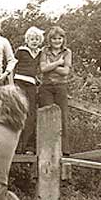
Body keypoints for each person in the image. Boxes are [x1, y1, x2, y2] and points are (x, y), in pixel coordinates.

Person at [39, 26, 72, 155]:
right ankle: (48, 149)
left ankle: (64, 149)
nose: (57, 41)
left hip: (60, 86)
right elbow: (42, 69)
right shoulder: (44, 51)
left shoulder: (67, 52)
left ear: (63, 39)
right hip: (46, 86)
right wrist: (59, 62)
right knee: (47, 116)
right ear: (50, 40)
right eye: (54, 39)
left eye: (60, 38)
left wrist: (50, 66)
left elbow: (65, 72)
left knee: (62, 116)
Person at [13, 26, 44, 154]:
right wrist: (11, 83)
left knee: (31, 114)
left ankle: (28, 147)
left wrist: (36, 78)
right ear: (27, 39)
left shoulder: (40, 53)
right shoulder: (21, 51)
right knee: (18, 112)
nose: (34, 41)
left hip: (31, 85)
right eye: (32, 38)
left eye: (37, 39)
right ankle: (15, 146)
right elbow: (12, 65)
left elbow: (35, 69)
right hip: (19, 82)